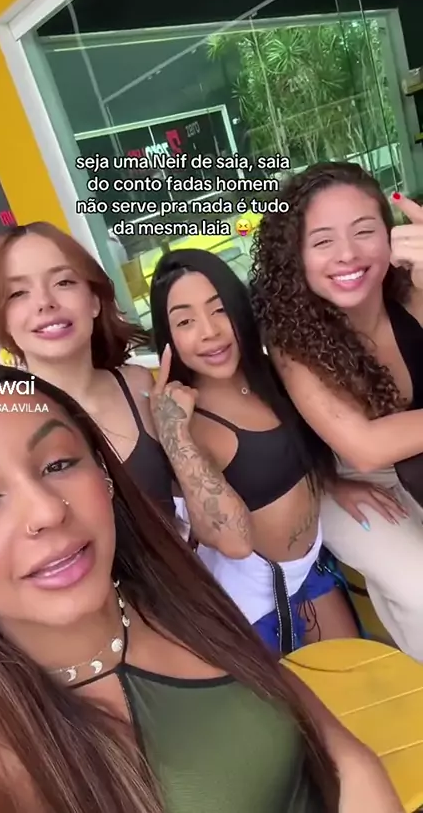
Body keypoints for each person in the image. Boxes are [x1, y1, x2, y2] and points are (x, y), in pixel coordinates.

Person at [0, 366, 403, 813]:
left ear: (104, 473)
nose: (46, 510)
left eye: (58, 463)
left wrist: (360, 770)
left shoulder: (168, 593)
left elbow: (329, 740)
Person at [0, 222, 253, 556]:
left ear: (94, 300)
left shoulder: (138, 385)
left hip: (190, 582)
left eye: (64, 282)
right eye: (18, 293)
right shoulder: (0, 426)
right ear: (2, 319)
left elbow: (231, 539)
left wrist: (177, 435)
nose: (45, 302)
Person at [148, 248, 373, 654]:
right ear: (169, 340)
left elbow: (297, 453)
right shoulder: (189, 423)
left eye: (219, 309)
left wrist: (335, 485)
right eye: (185, 321)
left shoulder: (272, 375)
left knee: (362, 678)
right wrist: (174, 433)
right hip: (253, 607)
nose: (209, 331)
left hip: (308, 573)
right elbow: (232, 541)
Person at [251, 160, 423, 660]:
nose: (347, 253)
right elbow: (365, 448)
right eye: (322, 240)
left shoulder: (413, 293)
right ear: (296, 256)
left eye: (364, 231)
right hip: (345, 482)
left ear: (390, 236)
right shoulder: (290, 338)